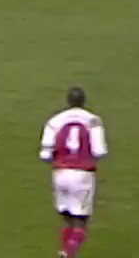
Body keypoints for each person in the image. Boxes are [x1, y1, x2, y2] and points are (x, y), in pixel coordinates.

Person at [40, 86, 108, 258]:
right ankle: (67, 253)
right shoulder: (93, 120)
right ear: (83, 101)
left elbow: (45, 154)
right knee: (80, 220)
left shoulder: (55, 120)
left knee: (66, 216)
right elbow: (100, 151)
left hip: (60, 173)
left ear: (68, 101)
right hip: (82, 173)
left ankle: (66, 250)